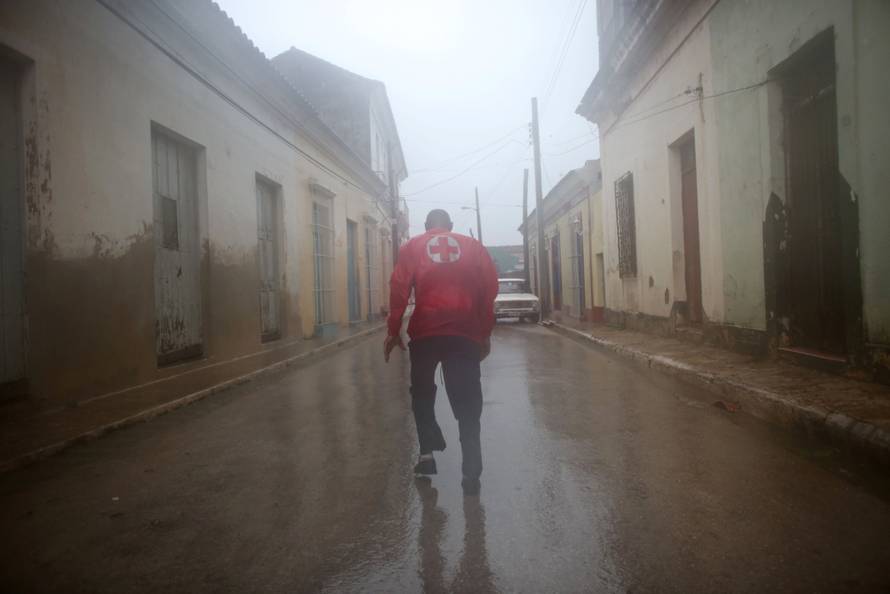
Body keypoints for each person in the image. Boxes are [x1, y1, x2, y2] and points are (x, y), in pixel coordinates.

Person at [384, 209, 499, 496]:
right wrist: (483, 333)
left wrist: (392, 329)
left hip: (426, 331)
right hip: (463, 333)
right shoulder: (473, 247)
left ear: (426, 227)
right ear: (450, 226)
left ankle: (426, 455)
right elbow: (489, 291)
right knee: (468, 402)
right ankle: (471, 469)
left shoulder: (412, 247)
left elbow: (398, 290)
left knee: (422, 391)